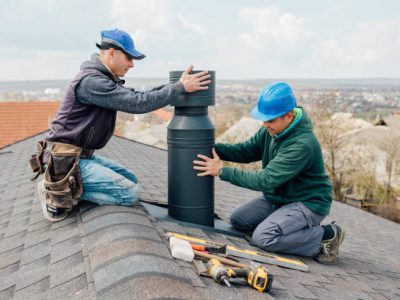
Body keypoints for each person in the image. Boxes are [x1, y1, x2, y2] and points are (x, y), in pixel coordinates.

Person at [36, 28, 210, 222]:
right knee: (129, 193)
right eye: (129, 58)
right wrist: (181, 88)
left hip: (80, 157)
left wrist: (176, 86)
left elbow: (138, 95)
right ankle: (56, 192)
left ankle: (69, 187)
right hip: (65, 162)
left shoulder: (103, 79)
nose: (132, 65)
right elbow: (138, 103)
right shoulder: (92, 82)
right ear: (111, 52)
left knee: (131, 180)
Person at [193, 82, 345, 264]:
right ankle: (284, 225)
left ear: (289, 116)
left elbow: (265, 180)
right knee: (239, 220)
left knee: (263, 238)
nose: (265, 124)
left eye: (270, 120)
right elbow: (246, 151)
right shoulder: (272, 130)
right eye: (264, 119)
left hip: (307, 203)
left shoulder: (301, 144)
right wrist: (211, 148)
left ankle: (325, 236)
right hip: (280, 199)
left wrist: (221, 171)